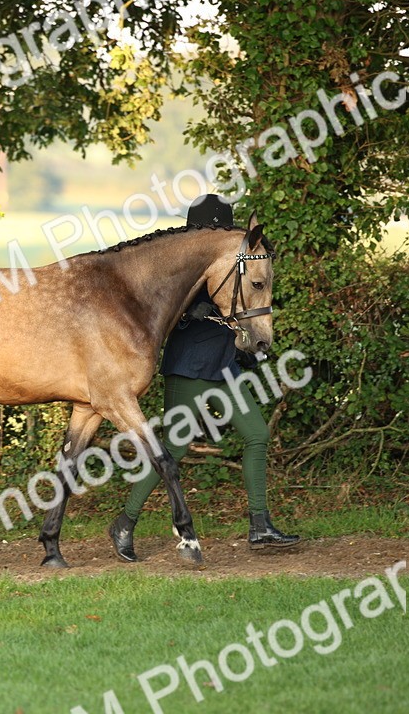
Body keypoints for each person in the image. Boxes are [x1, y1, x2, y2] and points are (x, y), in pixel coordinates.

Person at [108, 194, 299, 560]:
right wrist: (189, 312)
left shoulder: (230, 263)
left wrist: (249, 346)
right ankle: (125, 522)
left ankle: (260, 526)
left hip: (225, 368)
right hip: (190, 368)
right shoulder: (183, 267)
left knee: (257, 434)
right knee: (174, 447)